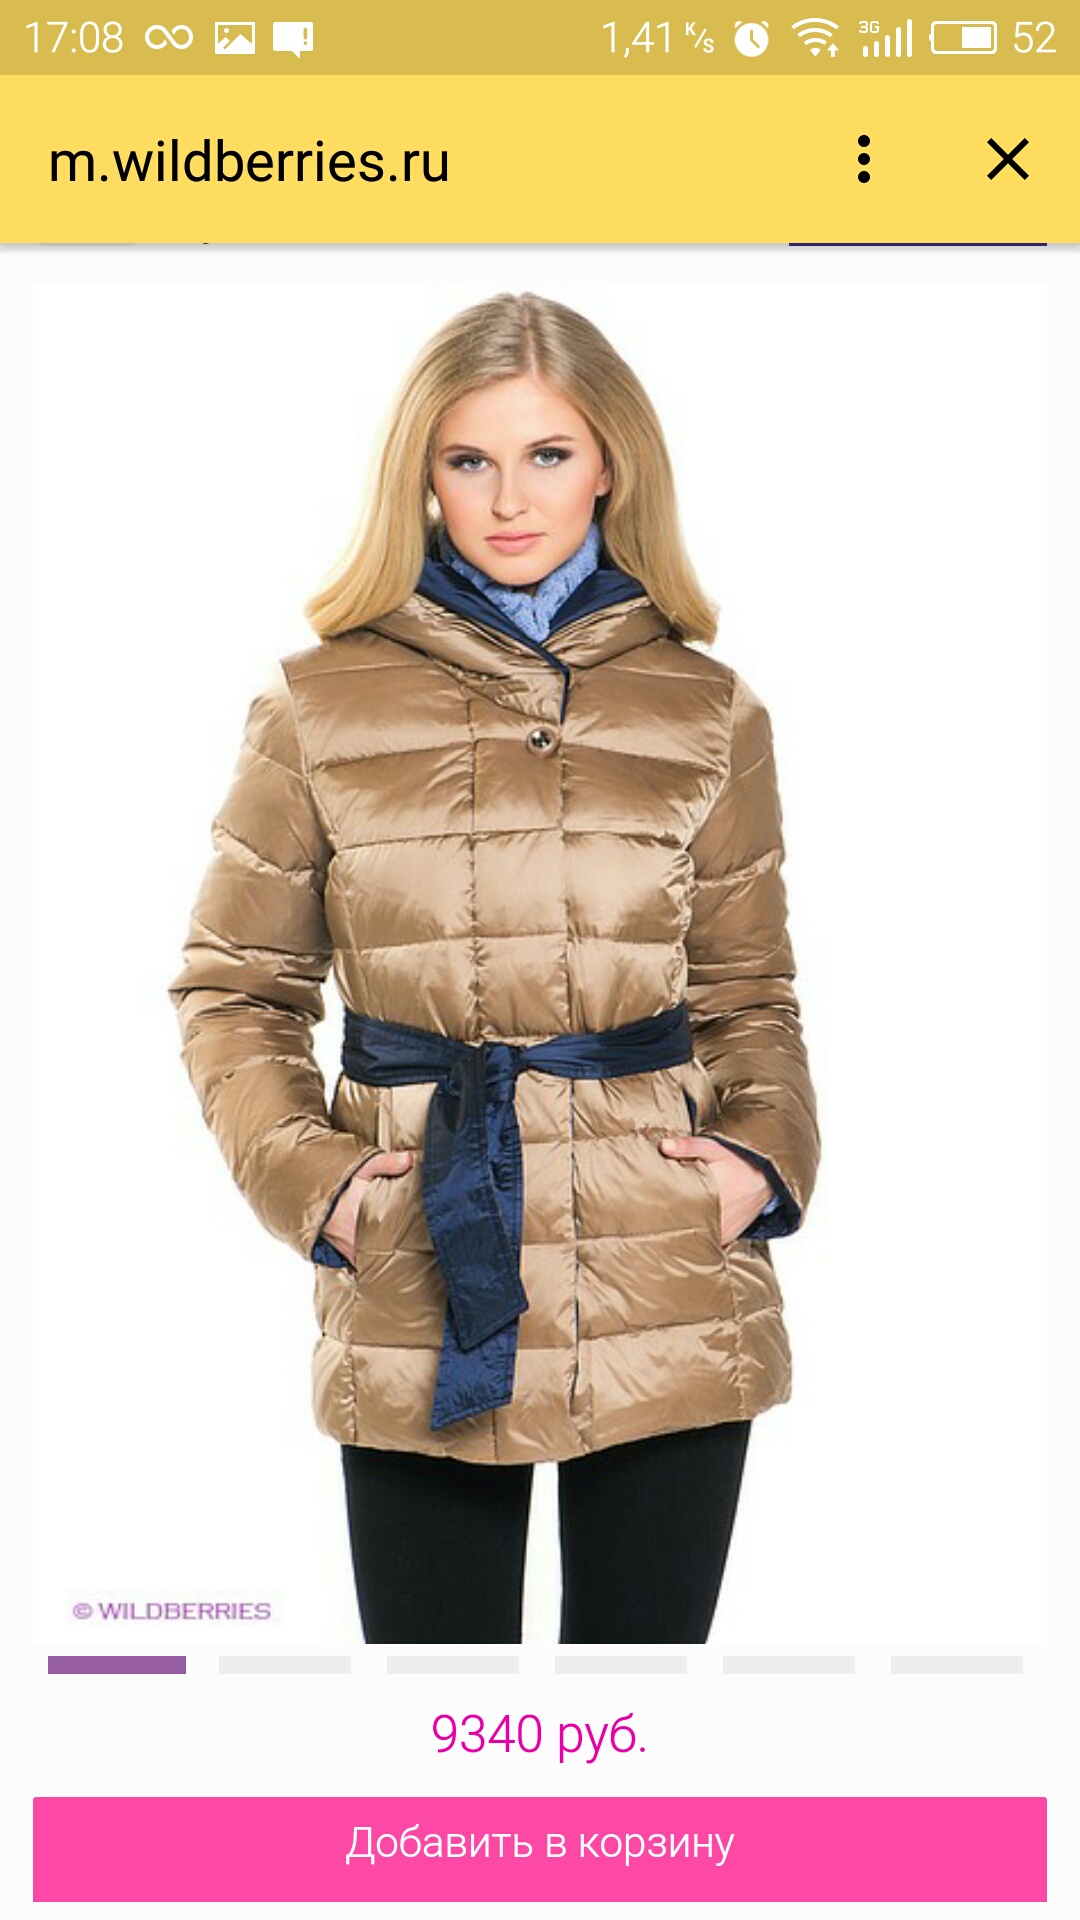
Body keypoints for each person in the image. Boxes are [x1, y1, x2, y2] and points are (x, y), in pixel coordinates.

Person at [168, 290, 820, 1645]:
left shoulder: (709, 710)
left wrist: (760, 1161)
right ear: (422, 472)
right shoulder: (314, 705)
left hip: (667, 1267)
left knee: (643, 1731)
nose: (509, 499)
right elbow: (235, 989)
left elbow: (749, 992)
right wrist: (321, 1185)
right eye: (469, 459)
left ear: (611, 465)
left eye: (548, 454)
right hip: (417, 1256)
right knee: (430, 1729)